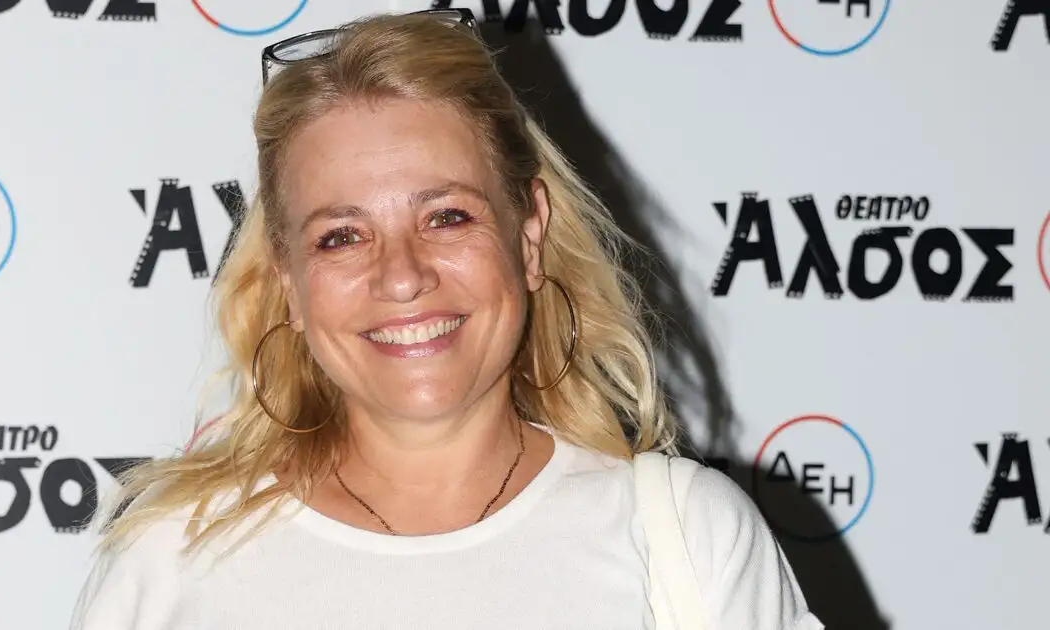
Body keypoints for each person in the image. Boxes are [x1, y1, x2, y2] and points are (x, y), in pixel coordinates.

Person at [69, 8, 823, 630]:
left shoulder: (686, 538)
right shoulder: (172, 560)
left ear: (528, 238)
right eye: (341, 236)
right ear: (287, 283)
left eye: (447, 217)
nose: (402, 275)